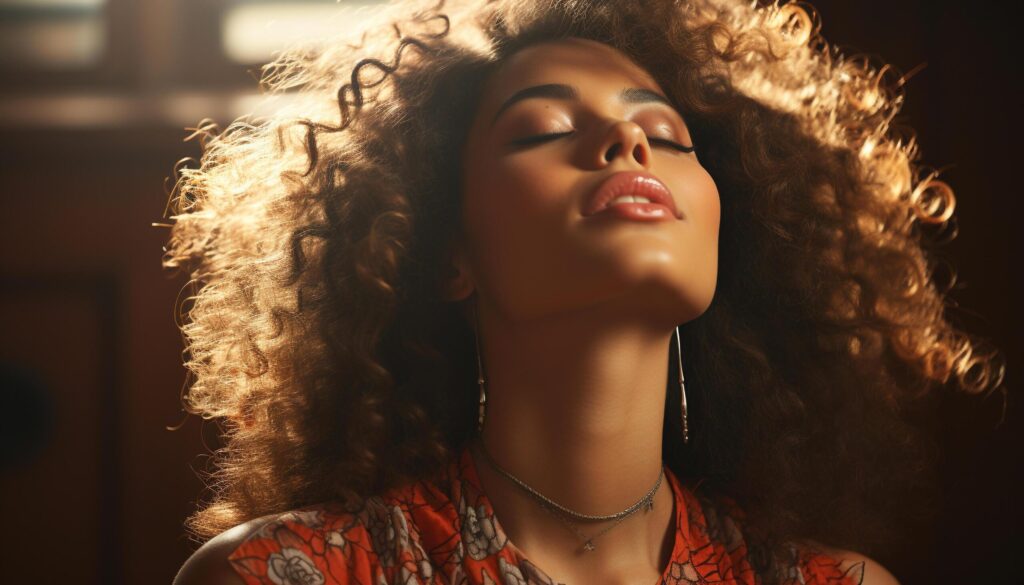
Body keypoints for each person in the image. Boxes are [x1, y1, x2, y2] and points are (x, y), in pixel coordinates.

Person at [167, 0, 1003, 583]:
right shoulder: (283, 576)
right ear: (446, 253)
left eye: (668, 136)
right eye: (544, 129)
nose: (627, 140)